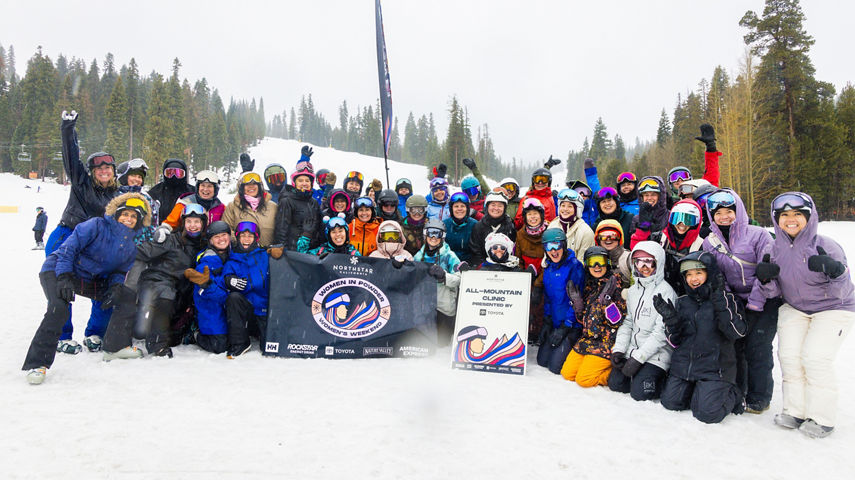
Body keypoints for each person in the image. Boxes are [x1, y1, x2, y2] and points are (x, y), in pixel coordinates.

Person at [755, 193, 854, 438]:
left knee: (815, 358)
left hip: (833, 308)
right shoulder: (773, 248)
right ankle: (794, 411)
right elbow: (775, 291)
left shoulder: (826, 245)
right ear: (776, 219)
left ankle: (822, 418)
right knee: (789, 357)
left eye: (798, 214)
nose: (791, 220)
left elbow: (842, 290)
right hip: (795, 308)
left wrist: (835, 271)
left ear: (809, 218)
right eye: (784, 215)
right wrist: (766, 279)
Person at [23, 193, 148, 384]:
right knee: (59, 309)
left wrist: (115, 286)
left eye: (134, 217)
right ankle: (37, 364)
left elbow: (119, 270)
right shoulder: (96, 225)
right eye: (126, 214)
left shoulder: (130, 246)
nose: (128, 219)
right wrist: (64, 277)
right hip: (58, 269)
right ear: (117, 212)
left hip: (90, 279)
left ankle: (114, 347)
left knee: (127, 296)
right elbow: (68, 249)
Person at [46, 111, 121, 354]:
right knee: (61, 285)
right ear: (91, 172)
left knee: (103, 287)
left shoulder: (118, 196)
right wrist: (68, 128)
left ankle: (95, 333)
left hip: (95, 246)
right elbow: (70, 157)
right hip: (66, 235)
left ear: (113, 171)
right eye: (98, 168)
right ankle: (63, 335)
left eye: (107, 167)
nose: (103, 171)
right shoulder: (81, 183)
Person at [702, 189, 777, 414]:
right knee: (736, 346)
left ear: (738, 211)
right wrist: (730, 304)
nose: (724, 217)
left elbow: (767, 271)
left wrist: (754, 304)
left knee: (758, 348)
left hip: (766, 297)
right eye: (719, 213)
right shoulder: (710, 242)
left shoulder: (758, 235)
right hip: (737, 301)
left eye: (729, 211)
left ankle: (759, 396)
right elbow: (717, 276)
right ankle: (739, 389)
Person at [102, 203, 208, 359]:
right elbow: (141, 252)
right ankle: (157, 345)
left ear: (203, 224)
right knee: (165, 296)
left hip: (180, 288)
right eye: (189, 221)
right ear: (183, 223)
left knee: (174, 331)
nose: (193, 226)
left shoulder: (203, 245)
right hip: (157, 281)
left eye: (197, 222)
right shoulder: (171, 240)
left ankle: (157, 333)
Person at [656, 251, 747, 423]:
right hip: (685, 368)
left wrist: (720, 301)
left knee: (706, 414)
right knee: (670, 402)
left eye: (698, 273)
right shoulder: (682, 301)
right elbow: (675, 341)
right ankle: (700, 392)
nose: (693, 279)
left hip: (715, 369)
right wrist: (671, 320)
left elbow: (736, 332)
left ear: (709, 273)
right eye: (689, 274)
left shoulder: (727, 299)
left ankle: (733, 395)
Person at [609, 241, 675, 401]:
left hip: (656, 354)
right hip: (633, 349)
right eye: (638, 261)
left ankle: (660, 379)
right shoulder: (633, 291)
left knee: (640, 393)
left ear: (657, 263)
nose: (643, 267)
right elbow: (628, 323)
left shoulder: (666, 292)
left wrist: (639, 358)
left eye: (648, 262)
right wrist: (619, 349)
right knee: (616, 384)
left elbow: (660, 333)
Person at [560, 246, 627, 387]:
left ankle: (615, 374)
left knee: (584, 380)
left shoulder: (615, 284)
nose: (597, 266)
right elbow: (585, 318)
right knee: (567, 373)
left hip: (606, 342)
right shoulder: (590, 286)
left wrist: (608, 304)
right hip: (588, 339)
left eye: (600, 261)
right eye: (592, 262)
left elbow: (618, 322)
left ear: (607, 263)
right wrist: (578, 306)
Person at [533, 228, 585, 374]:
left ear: (564, 245)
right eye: (549, 246)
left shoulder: (574, 266)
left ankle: (573, 345)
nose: (554, 251)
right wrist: (547, 321)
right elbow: (549, 298)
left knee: (555, 367)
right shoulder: (548, 268)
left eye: (557, 245)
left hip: (570, 325)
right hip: (556, 323)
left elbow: (577, 300)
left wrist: (566, 326)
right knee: (542, 361)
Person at [634, 199, 704, 296]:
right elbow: (638, 255)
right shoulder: (659, 239)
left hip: (688, 297)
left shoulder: (701, 245)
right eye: (677, 218)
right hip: (659, 293)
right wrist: (643, 230)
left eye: (688, 220)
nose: (681, 224)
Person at [222, 221, 271, 358]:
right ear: (237, 238)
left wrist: (280, 253)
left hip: (265, 309)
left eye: (250, 236)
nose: (246, 239)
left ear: (256, 239)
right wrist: (229, 280)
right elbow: (226, 275)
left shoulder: (265, 255)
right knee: (233, 298)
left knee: (268, 347)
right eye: (243, 235)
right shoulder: (233, 259)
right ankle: (240, 343)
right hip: (247, 310)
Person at [183, 221, 233, 354]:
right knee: (220, 346)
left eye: (224, 235)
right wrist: (207, 285)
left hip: (230, 306)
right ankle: (195, 333)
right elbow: (203, 294)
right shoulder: (206, 261)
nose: (221, 239)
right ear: (210, 241)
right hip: (212, 308)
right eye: (216, 237)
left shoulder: (234, 255)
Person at [413, 219, 462, 345]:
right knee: (425, 343)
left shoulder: (449, 255)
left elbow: (459, 278)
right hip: (426, 307)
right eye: (431, 233)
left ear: (443, 236)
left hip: (445, 307)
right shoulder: (419, 256)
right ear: (425, 235)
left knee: (442, 343)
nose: (434, 237)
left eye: (438, 234)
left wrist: (444, 276)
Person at [274, 164, 322, 252]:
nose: (304, 183)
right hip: (293, 252)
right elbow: (281, 229)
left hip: (311, 252)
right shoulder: (287, 201)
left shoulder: (314, 202)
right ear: (294, 183)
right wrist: (283, 250)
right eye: (300, 181)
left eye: (307, 181)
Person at [222, 171, 277, 247]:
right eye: (247, 184)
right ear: (241, 188)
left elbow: (280, 229)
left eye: (254, 184)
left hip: (268, 253)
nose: (251, 187)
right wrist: (242, 243)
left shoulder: (273, 206)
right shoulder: (232, 206)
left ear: (259, 186)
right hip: (243, 254)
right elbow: (226, 229)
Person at [468, 191, 517, 267]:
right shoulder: (479, 226)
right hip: (484, 267)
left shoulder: (510, 226)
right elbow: (475, 251)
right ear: (487, 207)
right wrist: (484, 266)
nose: (496, 208)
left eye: (500, 206)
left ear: (504, 208)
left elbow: (513, 250)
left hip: (505, 266)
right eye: (493, 205)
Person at [547, 189, 595, 262]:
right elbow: (547, 256)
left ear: (577, 209)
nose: (565, 209)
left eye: (570, 206)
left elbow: (583, 262)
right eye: (563, 205)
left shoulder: (585, 232)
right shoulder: (552, 226)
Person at [148, 158, 195, 227]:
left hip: (186, 232)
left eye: (178, 173)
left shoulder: (192, 192)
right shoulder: (156, 192)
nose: (174, 177)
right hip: (160, 231)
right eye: (169, 173)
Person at [629, 176, 669, 248]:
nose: (649, 198)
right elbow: (634, 247)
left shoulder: (669, 216)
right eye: (646, 195)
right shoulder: (636, 219)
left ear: (660, 196)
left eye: (653, 194)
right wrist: (643, 226)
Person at [514, 198, 548, 274]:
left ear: (541, 215)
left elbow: (550, 263)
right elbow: (518, 261)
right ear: (525, 217)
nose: (532, 217)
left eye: (535, 213)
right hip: (526, 279)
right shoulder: (520, 235)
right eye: (529, 214)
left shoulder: (548, 233)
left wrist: (537, 283)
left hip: (544, 279)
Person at [594, 220, 632, 286]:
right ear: (598, 240)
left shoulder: (628, 259)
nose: (608, 239)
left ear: (620, 238)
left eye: (613, 236)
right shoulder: (593, 259)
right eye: (603, 236)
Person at [444, 192, 477, 264]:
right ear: (451, 209)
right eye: (456, 206)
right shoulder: (444, 225)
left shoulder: (475, 225)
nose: (459, 209)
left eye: (462, 206)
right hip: (448, 265)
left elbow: (478, 252)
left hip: (469, 266)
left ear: (467, 208)